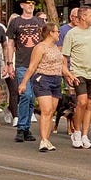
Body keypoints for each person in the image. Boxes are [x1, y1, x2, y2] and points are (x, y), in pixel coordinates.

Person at [61, 6, 91, 149]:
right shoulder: (72, 33)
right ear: (83, 17)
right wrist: (68, 73)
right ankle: (76, 132)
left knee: (90, 104)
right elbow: (64, 57)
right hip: (78, 72)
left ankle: (84, 135)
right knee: (81, 102)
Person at [16, 22, 65, 152]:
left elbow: (61, 66)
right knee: (46, 110)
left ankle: (47, 139)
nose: (59, 34)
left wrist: (69, 76)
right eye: (57, 31)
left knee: (51, 111)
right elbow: (32, 66)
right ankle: (43, 140)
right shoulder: (40, 47)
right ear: (50, 33)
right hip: (43, 78)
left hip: (56, 79)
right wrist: (24, 83)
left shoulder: (56, 48)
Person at [6, 0, 44, 141]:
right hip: (22, 64)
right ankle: (21, 128)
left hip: (38, 65)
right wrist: (9, 63)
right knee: (25, 95)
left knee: (32, 98)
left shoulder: (39, 22)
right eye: (28, 3)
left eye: (33, 3)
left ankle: (26, 128)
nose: (31, 6)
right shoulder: (15, 22)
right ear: (22, 5)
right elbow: (10, 44)